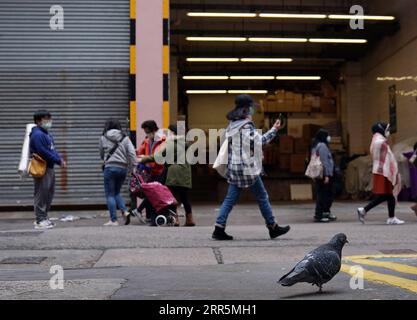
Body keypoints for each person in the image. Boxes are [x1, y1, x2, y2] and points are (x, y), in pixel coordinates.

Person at [212, 95, 291, 241]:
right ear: (246, 108)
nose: (253, 110)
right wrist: (274, 129)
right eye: (251, 107)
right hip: (247, 169)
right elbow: (261, 141)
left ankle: (219, 227)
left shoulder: (232, 125)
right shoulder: (246, 126)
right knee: (262, 197)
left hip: (234, 168)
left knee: (229, 199)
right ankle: (272, 227)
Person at [138, 125, 195, 227]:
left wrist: (143, 159)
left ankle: (175, 219)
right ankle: (190, 219)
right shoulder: (188, 143)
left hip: (173, 172)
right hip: (186, 172)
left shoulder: (171, 143)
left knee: (172, 198)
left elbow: (158, 156)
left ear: (173, 133)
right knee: (185, 197)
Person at [357, 122, 404, 225]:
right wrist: (393, 170)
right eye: (386, 129)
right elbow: (388, 158)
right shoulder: (380, 141)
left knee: (388, 195)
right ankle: (364, 210)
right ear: (381, 129)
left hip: (381, 171)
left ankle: (390, 217)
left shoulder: (376, 140)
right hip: (383, 171)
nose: (388, 132)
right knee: (386, 195)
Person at [29, 110, 66, 230]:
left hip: (49, 167)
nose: (49, 121)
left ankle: (44, 217)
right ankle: (40, 219)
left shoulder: (46, 134)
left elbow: (51, 150)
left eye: (50, 118)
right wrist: (58, 160)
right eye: (46, 119)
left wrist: (59, 158)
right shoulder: (38, 135)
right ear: (38, 121)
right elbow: (42, 151)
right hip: (42, 167)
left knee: (48, 193)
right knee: (41, 193)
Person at [100, 119, 137, 226]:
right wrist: (134, 167)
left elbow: (101, 153)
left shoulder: (103, 137)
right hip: (122, 169)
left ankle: (113, 220)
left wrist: (104, 159)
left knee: (110, 194)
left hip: (110, 168)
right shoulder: (125, 138)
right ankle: (125, 211)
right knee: (116, 192)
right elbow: (132, 153)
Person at [134, 120, 167, 225]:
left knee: (153, 193)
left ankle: (140, 210)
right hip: (150, 171)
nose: (146, 134)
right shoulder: (147, 140)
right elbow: (140, 151)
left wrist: (145, 158)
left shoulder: (163, 140)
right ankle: (149, 216)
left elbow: (159, 155)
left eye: (147, 131)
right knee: (151, 192)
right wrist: (137, 154)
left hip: (160, 170)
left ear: (153, 130)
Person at [311, 129, 336, 223]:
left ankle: (324, 212)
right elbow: (324, 161)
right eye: (327, 135)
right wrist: (327, 175)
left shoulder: (315, 145)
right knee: (323, 195)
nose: (329, 137)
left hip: (320, 174)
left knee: (322, 194)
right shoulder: (322, 146)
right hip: (324, 175)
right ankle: (319, 215)